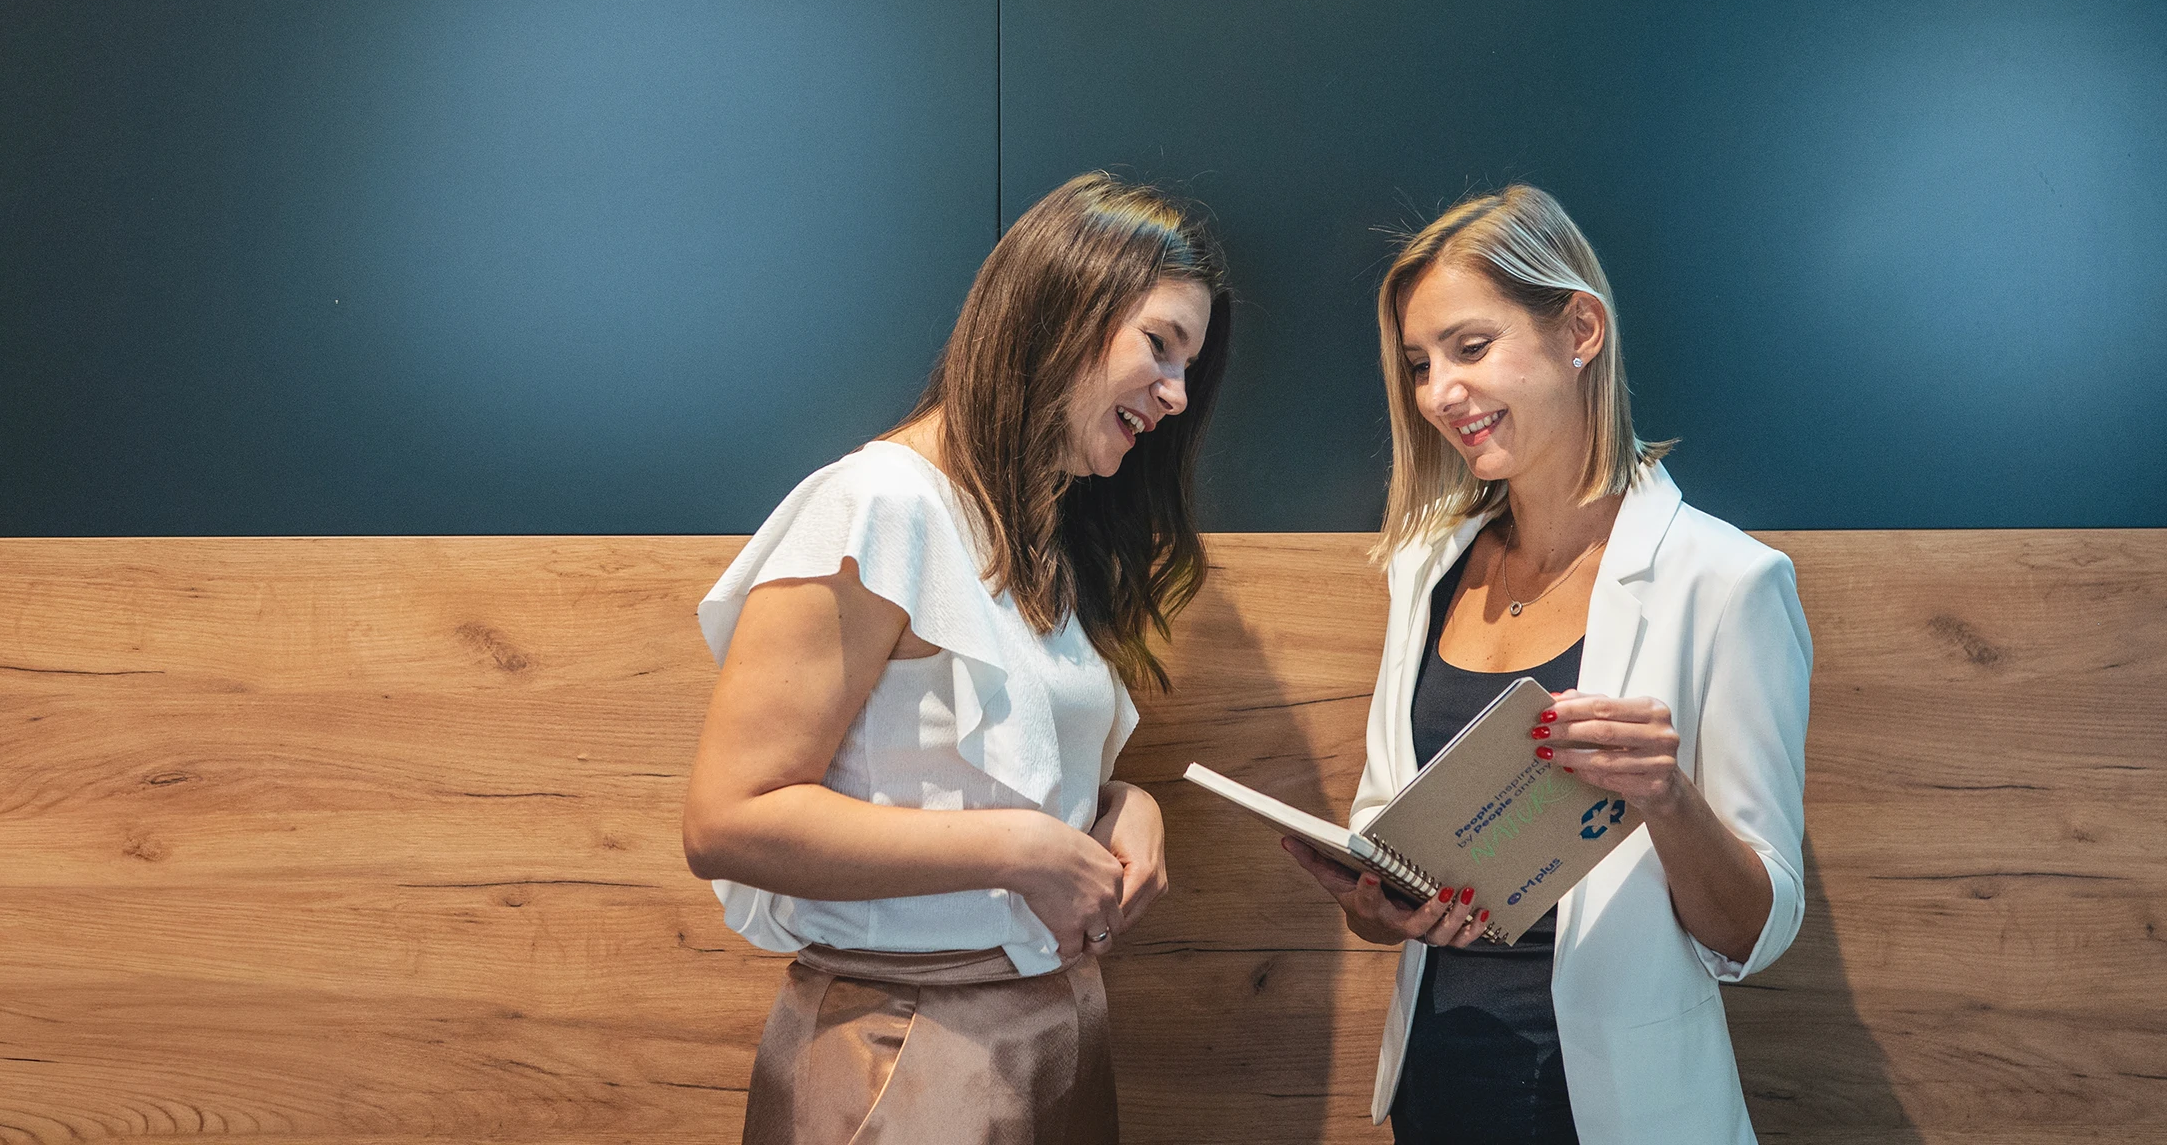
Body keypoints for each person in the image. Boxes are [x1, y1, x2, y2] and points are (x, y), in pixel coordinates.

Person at [684, 173, 1231, 1145]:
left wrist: (1120, 805)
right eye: (1160, 344)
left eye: (1186, 364)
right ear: (1065, 307)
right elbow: (729, 820)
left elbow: (970, 769)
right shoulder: (877, 505)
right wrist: (1021, 851)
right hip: (898, 1056)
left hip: (1047, 1033)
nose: (1177, 395)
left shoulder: (1039, 532)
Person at [1282, 185, 1811, 1143]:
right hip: (1438, 1088)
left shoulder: (1729, 581)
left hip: (1615, 1112)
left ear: (1581, 330)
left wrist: (1667, 796)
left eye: (1471, 346)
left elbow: (1754, 932)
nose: (1440, 392)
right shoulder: (1426, 569)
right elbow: (1385, 841)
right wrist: (1376, 903)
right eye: (1420, 364)